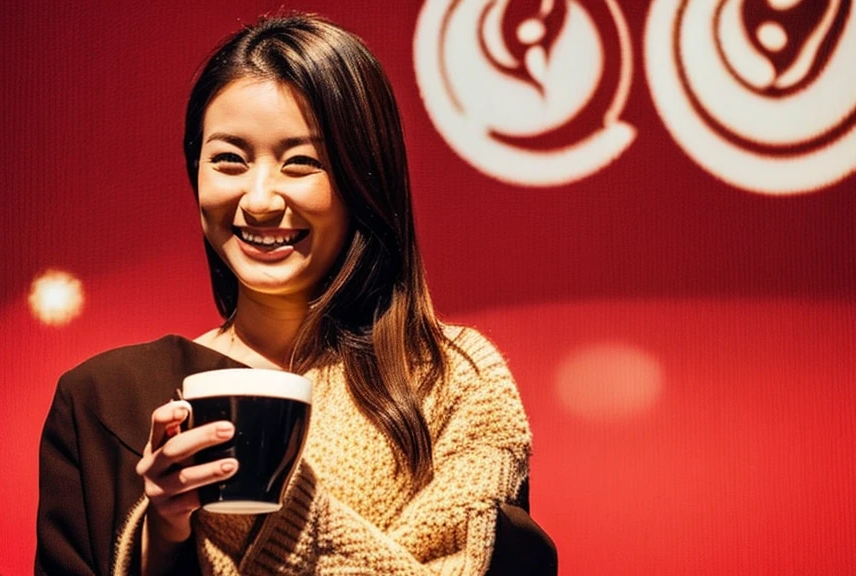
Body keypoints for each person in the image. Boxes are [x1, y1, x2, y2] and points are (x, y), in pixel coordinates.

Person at [36, 13, 536, 575]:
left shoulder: (452, 385)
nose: (260, 200)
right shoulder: (106, 401)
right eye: (229, 159)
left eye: (301, 163)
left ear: (363, 179)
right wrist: (164, 536)